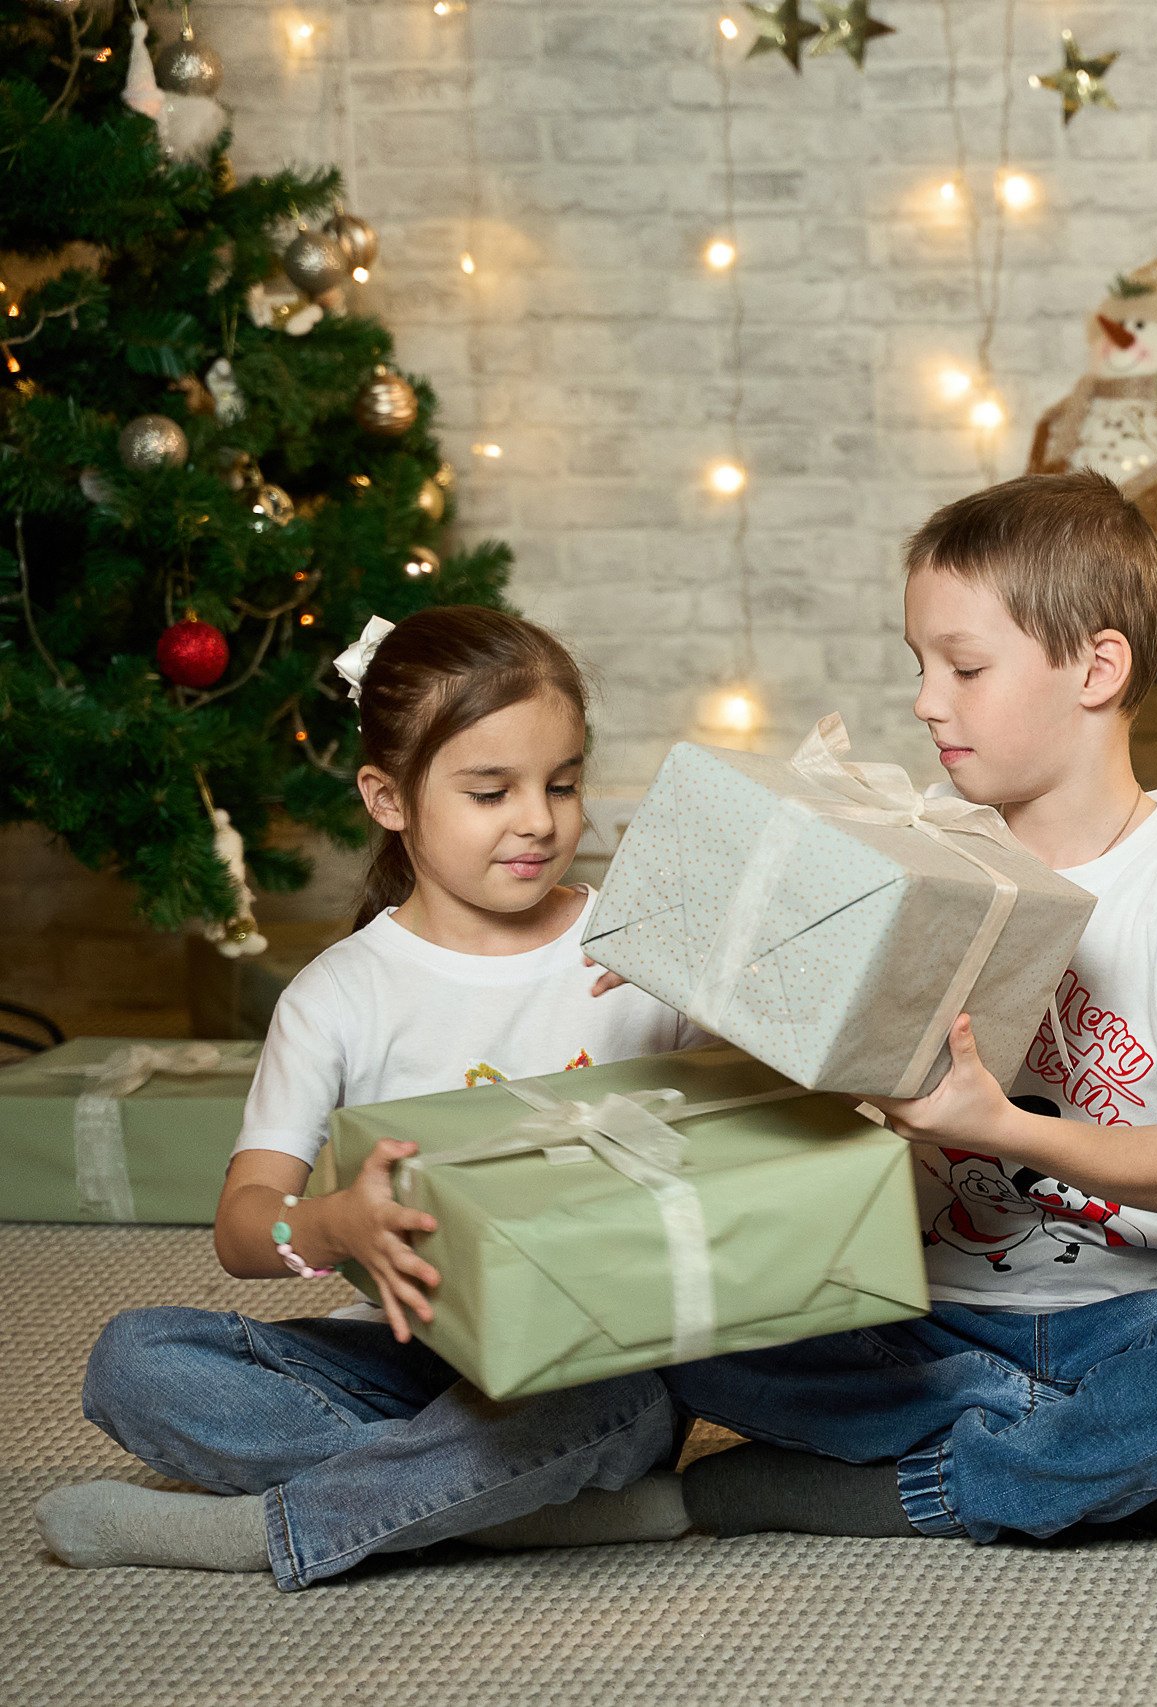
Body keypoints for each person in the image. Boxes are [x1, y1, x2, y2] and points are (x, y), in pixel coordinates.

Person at [666, 470, 1157, 1547]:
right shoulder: (917, 850)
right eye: (920, 665)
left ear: (1097, 668)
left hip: (1139, 1316)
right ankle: (1129, 1463)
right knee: (674, 1314)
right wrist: (706, 969)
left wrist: (1003, 1128)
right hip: (927, 1316)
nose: (925, 701)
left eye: (965, 668)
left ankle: (922, 1486)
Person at [39, 608, 706, 1591]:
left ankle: (276, 1529)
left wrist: (721, 999)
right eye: (492, 791)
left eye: (562, 784)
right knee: (133, 1360)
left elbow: (752, 1132)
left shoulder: (637, 949)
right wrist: (332, 1227)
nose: (538, 819)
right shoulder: (338, 994)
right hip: (400, 1354)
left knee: (620, 1406)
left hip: (589, 1358)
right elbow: (243, 1227)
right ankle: (499, 1502)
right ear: (387, 797)